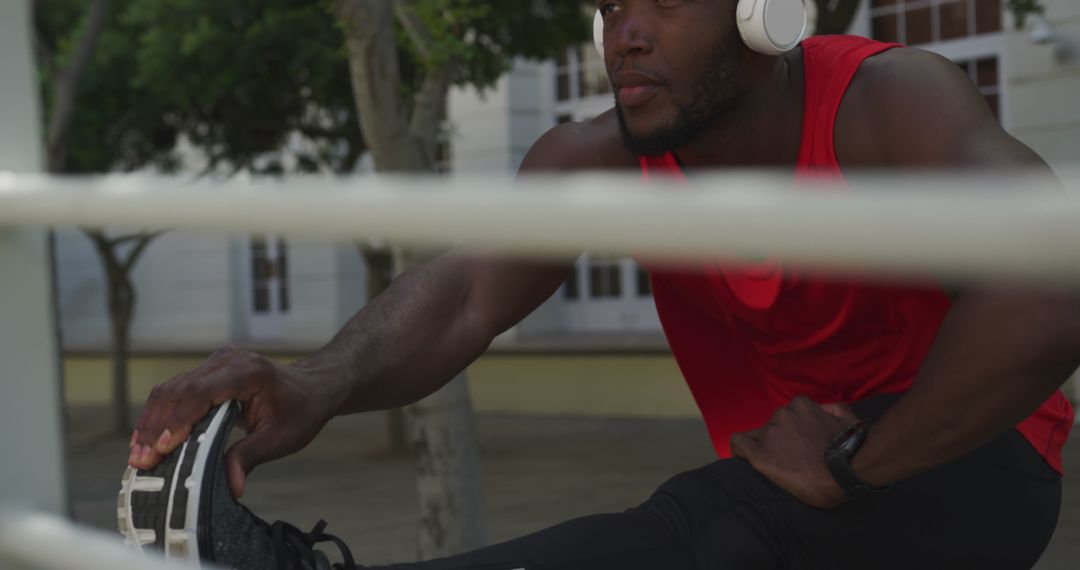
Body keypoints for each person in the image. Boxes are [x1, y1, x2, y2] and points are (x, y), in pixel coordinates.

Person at [122, 1, 1080, 569]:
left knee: (704, 533)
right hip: (785, 483)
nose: (623, 35)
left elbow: (1051, 285)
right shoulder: (598, 157)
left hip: (968, 451)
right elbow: (466, 294)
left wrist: (860, 460)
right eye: (611, 6)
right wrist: (314, 383)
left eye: (661, 1)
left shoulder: (889, 103)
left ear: (766, 12)